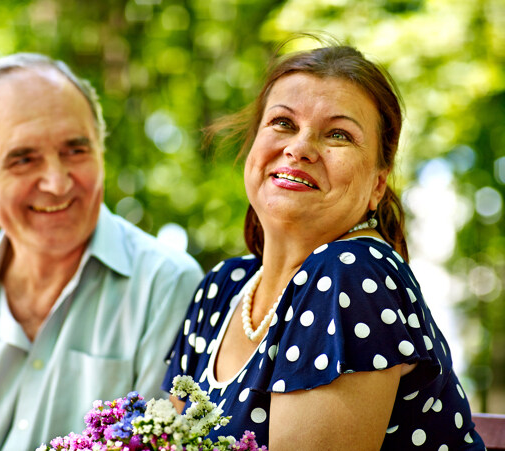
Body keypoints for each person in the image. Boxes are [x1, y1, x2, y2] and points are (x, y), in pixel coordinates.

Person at [163, 42, 485, 449]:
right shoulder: (221, 288)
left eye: (338, 134)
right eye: (283, 123)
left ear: (377, 185)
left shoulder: (351, 272)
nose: (299, 148)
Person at [0, 53, 203, 451]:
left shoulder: (166, 286)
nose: (58, 183)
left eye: (75, 150)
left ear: (101, 149)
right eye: (23, 159)